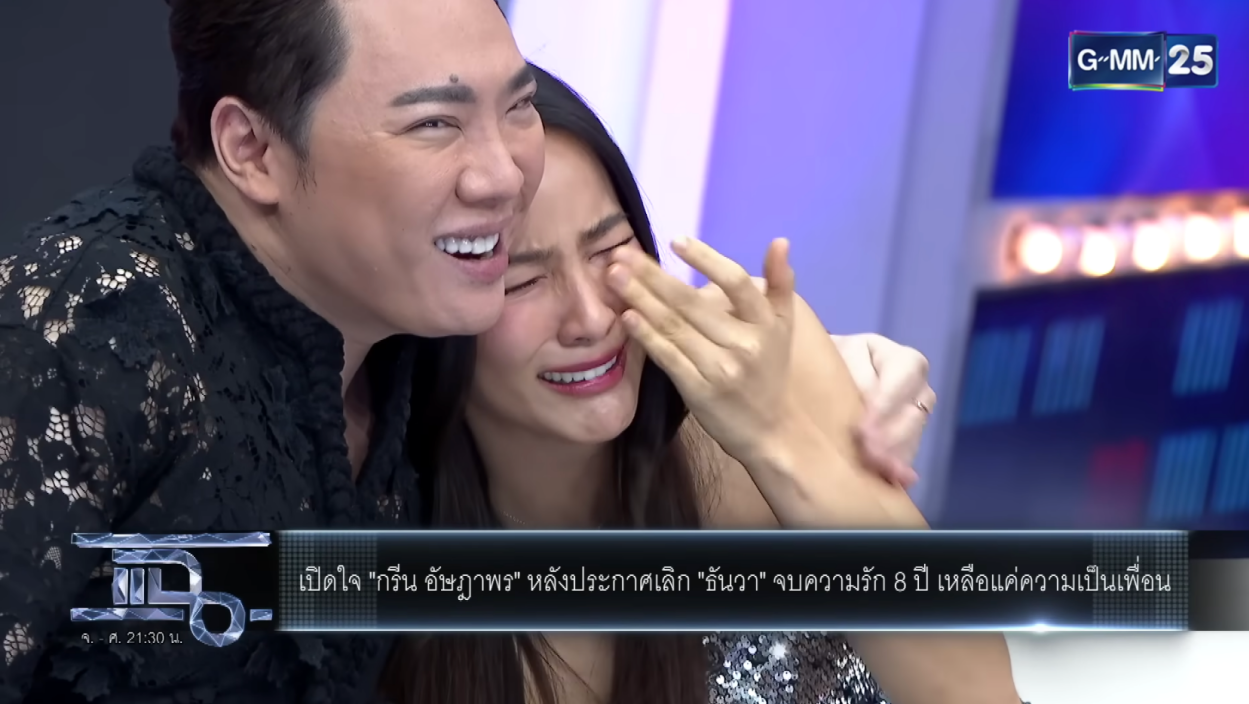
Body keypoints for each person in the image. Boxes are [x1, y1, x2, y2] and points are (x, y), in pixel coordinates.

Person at [0, 1, 937, 702]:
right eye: (434, 122)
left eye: (515, 104)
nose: (500, 174)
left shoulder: (406, 324)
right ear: (251, 147)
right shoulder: (92, 325)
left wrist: (835, 384)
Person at [380, 65, 1023, 704]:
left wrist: (779, 439)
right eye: (522, 281)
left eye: (610, 250)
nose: (593, 319)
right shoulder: (377, 534)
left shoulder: (758, 359)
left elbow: (984, 692)